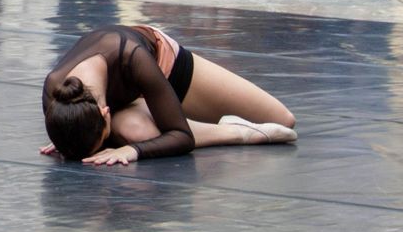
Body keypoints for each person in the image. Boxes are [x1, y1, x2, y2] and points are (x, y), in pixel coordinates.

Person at [40, 25, 297, 164]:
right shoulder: (55, 92)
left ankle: (236, 131)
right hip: (124, 103)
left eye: (106, 140)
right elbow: (74, 127)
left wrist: (132, 151)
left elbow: (181, 137)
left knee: (282, 119)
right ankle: (237, 132)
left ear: (106, 113)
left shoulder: (132, 57)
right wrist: (67, 132)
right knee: (138, 132)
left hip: (163, 66)